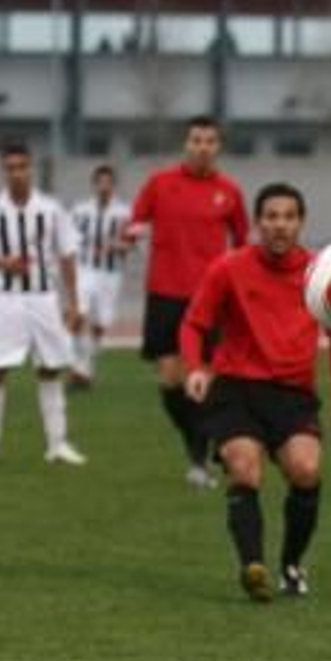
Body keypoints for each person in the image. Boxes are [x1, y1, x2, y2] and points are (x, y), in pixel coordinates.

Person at [180, 182, 331, 602]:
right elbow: (193, 324)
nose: (280, 225)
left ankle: (292, 567)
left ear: (301, 222)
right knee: (244, 467)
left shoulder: (319, 275)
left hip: (293, 394)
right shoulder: (229, 268)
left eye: (289, 217)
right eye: (271, 216)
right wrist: (196, 368)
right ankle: (252, 566)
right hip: (236, 390)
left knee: (306, 470)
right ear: (258, 223)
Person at [124, 115, 249, 488]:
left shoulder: (229, 192)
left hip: (209, 299)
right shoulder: (159, 184)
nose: (203, 147)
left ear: (218, 147)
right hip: (164, 294)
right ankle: (199, 437)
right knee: (169, 379)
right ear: (186, 143)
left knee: (200, 379)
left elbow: (242, 244)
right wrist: (127, 236)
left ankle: (198, 461)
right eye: (196, 140)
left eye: (210, 141)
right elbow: (135, 222)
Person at [0, 143, 86, 466]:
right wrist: (3, 262)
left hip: (43, 297)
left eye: (22, 166)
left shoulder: (52, 209)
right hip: (4, 298)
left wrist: (74, 303)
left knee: (50, 366)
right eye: (10, 167)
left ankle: (57, 444)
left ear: (31, 169)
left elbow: (68, 254)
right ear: (3, 171)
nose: (17, 173)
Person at [69, 163, 134, 389]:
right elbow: (70, 239)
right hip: (85, 269)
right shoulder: (80, 210)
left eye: (108, 182)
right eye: (100, 182)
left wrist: (115, 246)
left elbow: (130, 244)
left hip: (111, 274)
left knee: (100, 324)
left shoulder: (124, 212)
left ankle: (86, 366)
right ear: (94, 184)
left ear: (114, 185)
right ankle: (79, 367)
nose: (104, 186)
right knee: (78, 314)